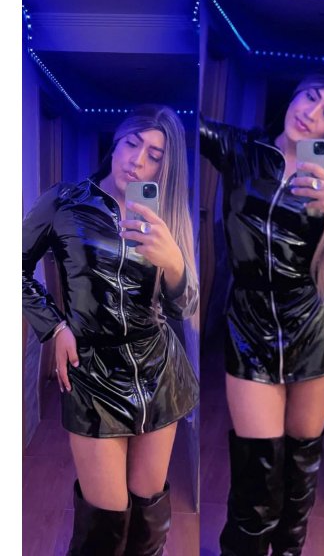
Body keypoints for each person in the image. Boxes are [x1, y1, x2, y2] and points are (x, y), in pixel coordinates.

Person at [200, 72, 324, 556]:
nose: (311, 114)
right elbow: (182, 128)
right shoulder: (242, 150)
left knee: (299, 479)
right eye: (310, 97)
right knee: (256, 483)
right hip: (250, 326)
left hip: (317, 331)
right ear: (295, 94)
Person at [22, 104, 199, 556]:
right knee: (104, 527)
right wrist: (53, 326)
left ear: (166, 166)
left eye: (155, 155)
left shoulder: (167, 215)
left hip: (158, 371)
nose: (138, 161)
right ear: (115, 144)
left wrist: (174, 263)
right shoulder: (64, 202)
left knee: (149, 522)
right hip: (93, 372)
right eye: (132, 144)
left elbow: (184, 306)